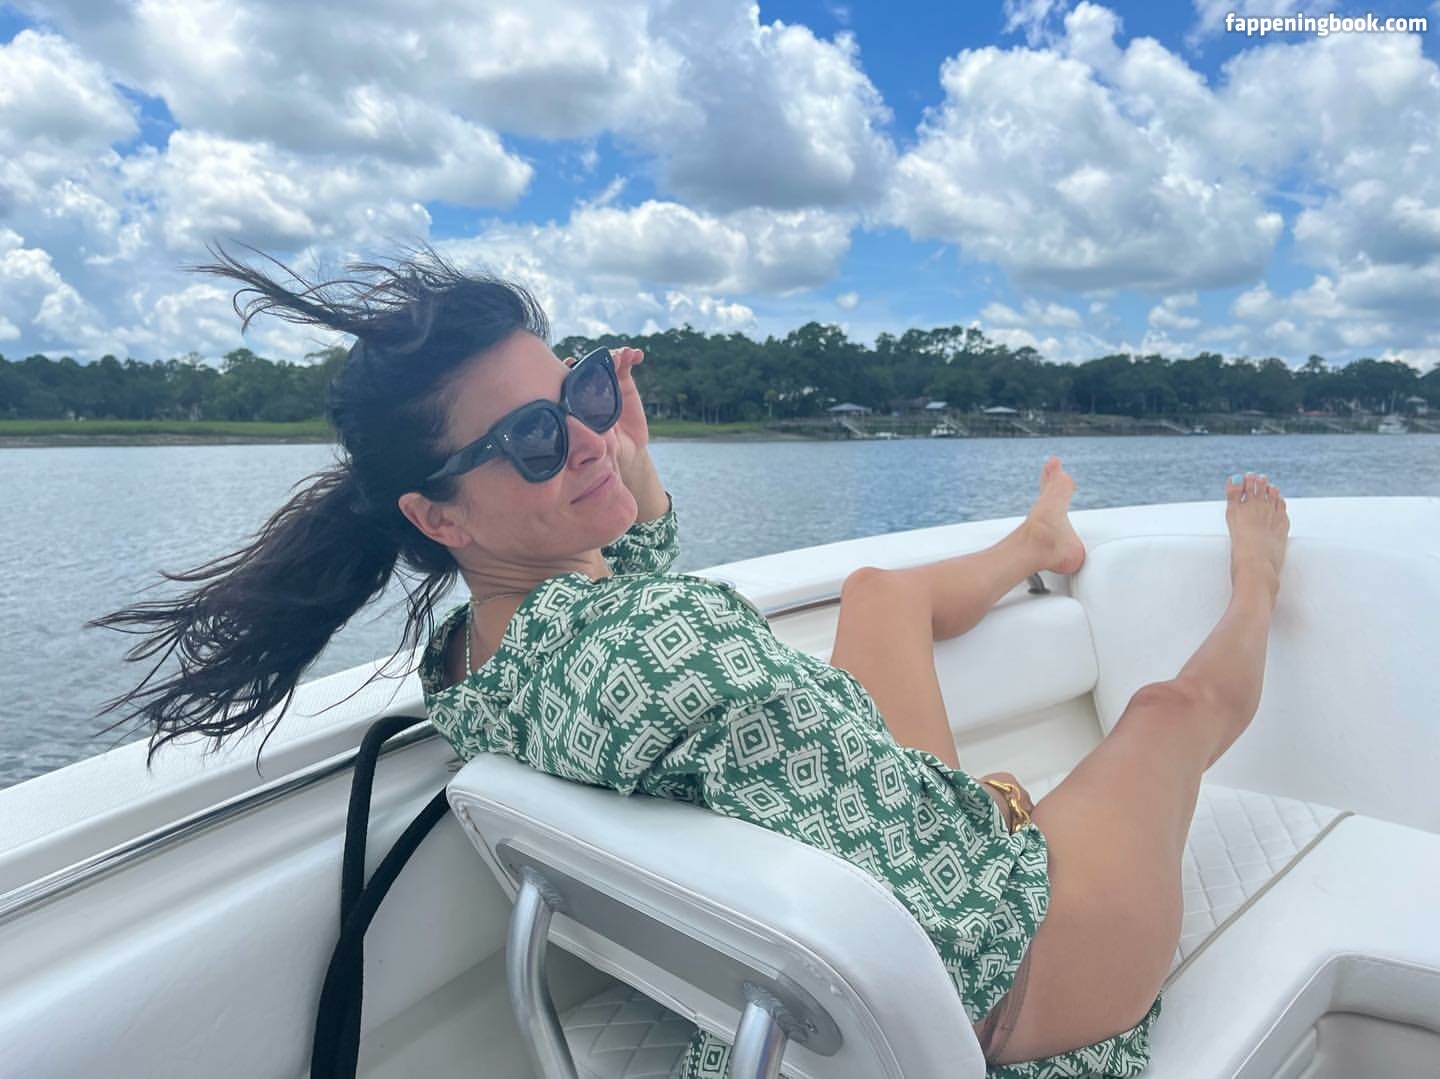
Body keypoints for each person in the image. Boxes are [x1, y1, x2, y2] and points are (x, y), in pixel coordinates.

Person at [92, 249, 1290, 1078]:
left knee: (879, 592)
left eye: (576, 391)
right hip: (1004, 973)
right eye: (533, 437)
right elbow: (679, 644)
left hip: (848, 878)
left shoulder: (478, 661)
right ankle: (1260, 584)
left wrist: (623, 472)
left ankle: (1036, 543)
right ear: (440, 515)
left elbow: (628, 614)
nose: (585, 435)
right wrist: (1012, 818)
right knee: (1164, 709)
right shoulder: (669, 644)